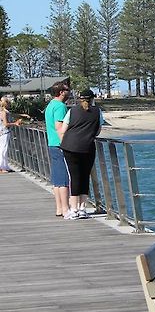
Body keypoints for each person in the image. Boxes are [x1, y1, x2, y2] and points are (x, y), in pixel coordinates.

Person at [60, 89, 103, 220]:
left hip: (70, 147)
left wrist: (63, 144)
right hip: (88, 147)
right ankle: (83, 208)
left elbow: (63, 129)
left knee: (74, 177)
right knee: (85, 177)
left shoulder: (72, 111)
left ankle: (73, 209)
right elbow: (98, 130)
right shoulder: (97, 112)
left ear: (80, 99)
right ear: (92, 99)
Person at [44, 82, 71, 216]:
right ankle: (66, 209)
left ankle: (59, 208)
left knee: (57, 179)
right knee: (64, 179)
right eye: (67, 90)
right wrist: (66, 145)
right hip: (60, 144)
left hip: (52, 143)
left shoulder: (50, 105)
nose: (69, 91)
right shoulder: (60, 106)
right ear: (61, 92)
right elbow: (59, 127)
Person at [0, 97, 22, 173]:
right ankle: (2, 167)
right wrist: (15, 123)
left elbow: (12, 115)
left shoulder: (5, 111)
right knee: (3, 150)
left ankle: (5, 166)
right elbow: (5, 124)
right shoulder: (4, 112)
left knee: (4, 149)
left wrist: (23, 115)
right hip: (4, 133)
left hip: (4, 132)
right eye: (8, 102)